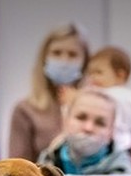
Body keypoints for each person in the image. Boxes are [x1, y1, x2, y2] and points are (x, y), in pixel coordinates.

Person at [7, 22, 89, 161]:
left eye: (72, 54)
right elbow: (18, 166)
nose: (64, 61)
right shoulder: (25, 110)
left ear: (85, 62)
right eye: (56, 53)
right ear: (44, 58)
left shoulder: (101, 106)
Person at [37, 89, 131, 174]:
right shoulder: (45, 163)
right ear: (65, 121)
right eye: (81, 117)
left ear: (111, 133)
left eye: (100, 123)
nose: (88, 128)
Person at [84, 45, 131, 154]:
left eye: (98, 72)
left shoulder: (125, 97)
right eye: (90, 73)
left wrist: (77, 97)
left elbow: (105, 100)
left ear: (120, 76)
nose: (92, 77)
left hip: (121, 151)